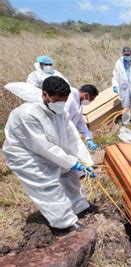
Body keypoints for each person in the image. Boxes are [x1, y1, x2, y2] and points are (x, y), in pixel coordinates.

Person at [2, 76, 94, 231]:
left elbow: (72, 137)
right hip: (26, 153)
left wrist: (85, 162)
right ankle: (65, 222)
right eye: (57, 100)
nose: (61, 104)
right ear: (45, 95)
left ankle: (79, 206)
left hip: (52, 150)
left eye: (64, 101)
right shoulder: (27, 114)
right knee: (47, 183)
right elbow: (43, 146)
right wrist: (71, 162)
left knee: (68, 173)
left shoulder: (60, 112)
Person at [65, 84, 99, 151]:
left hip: (68, 134)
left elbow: (80, 121)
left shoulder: (78, 102)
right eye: (91, 99)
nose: (90, 102)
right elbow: (63, 119)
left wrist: (88, 137)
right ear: (86, 95)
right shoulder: (70, 100)